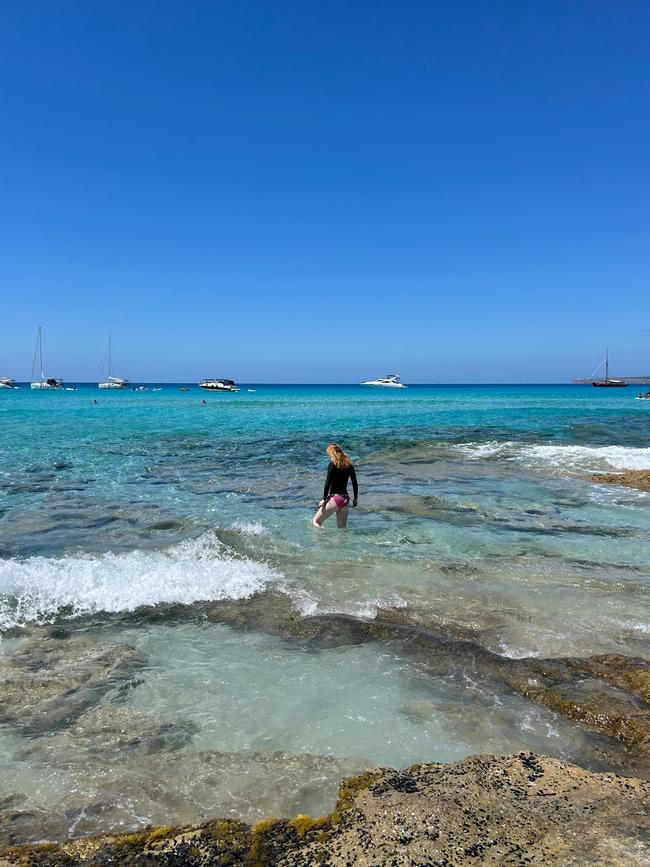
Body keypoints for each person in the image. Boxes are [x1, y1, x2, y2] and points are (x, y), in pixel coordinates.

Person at [312, 443, 358, 528]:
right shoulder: (349, 465)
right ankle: (342, 541)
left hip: (335, 499)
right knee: (342, 529)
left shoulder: (332, 465)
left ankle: (323, 539)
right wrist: (355, 498)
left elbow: (327, 483)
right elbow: (355, 483)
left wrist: (324, 499)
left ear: (332, 453)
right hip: (345, 500)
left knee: (316, 521)